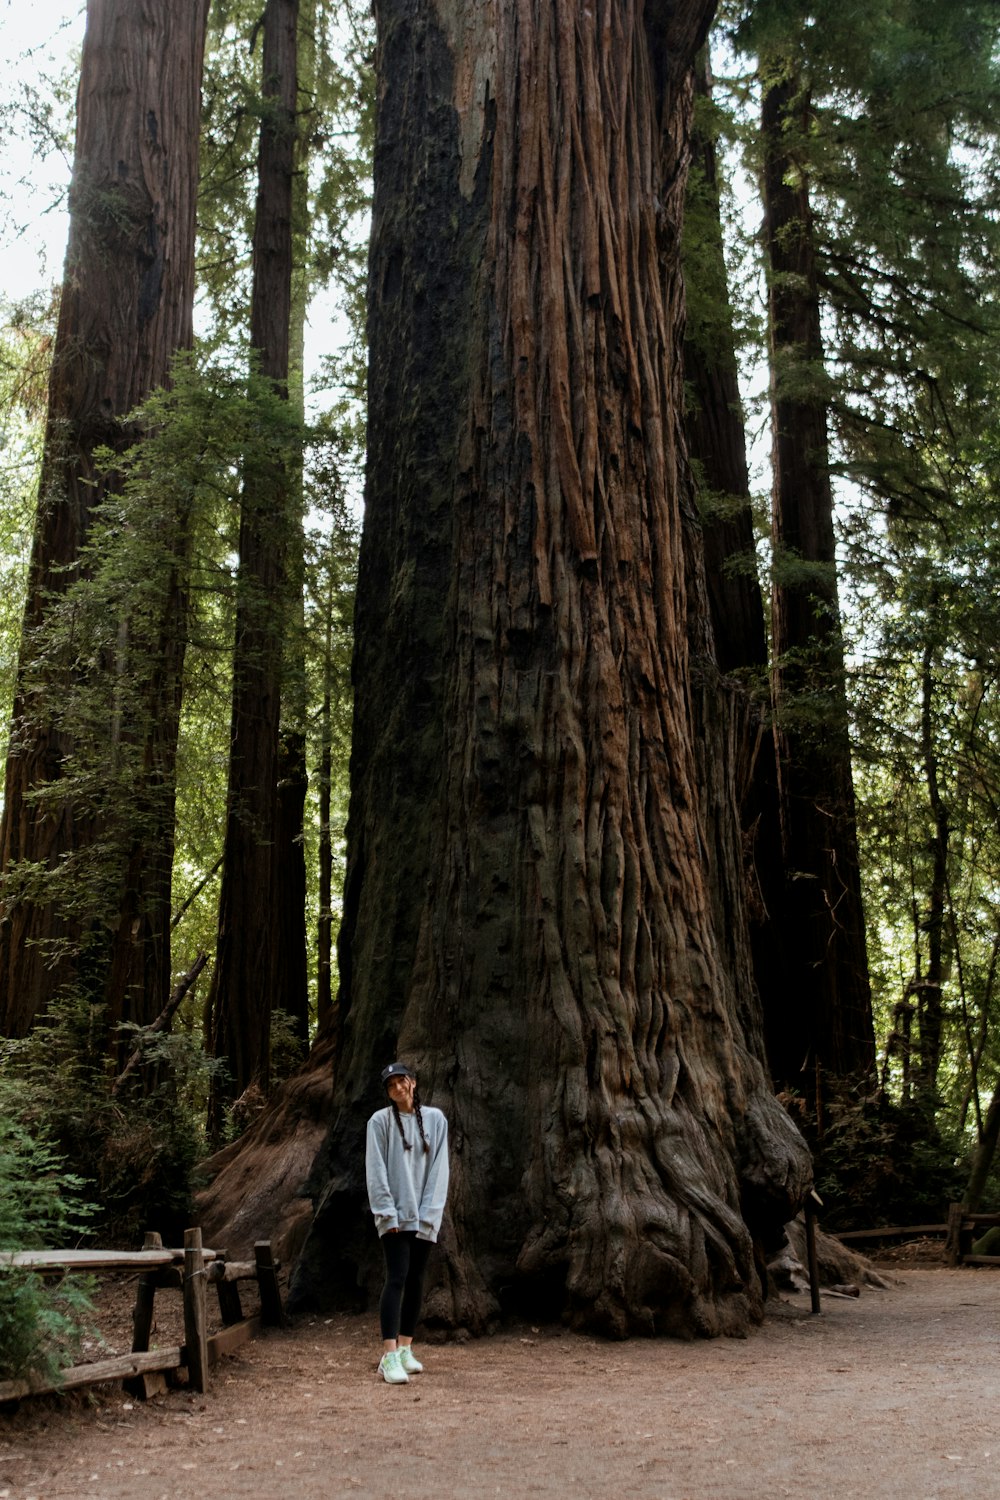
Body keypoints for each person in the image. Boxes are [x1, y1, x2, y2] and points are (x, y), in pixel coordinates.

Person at [365, 1061, 450, 1385]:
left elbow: (440, 1168)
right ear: (387, 1092)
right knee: (397, 1277)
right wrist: (387, 1213)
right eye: (391, 1086)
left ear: (413, 1082)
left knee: (416, 1279)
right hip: (396, 1216)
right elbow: (376, 1169)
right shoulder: (380, 1122)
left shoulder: (435, 1120)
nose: (398, 1088)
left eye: (402, 1082)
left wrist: (431, 1213)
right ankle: (388, 1355)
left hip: (425, 1213)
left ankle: (405, 1348)